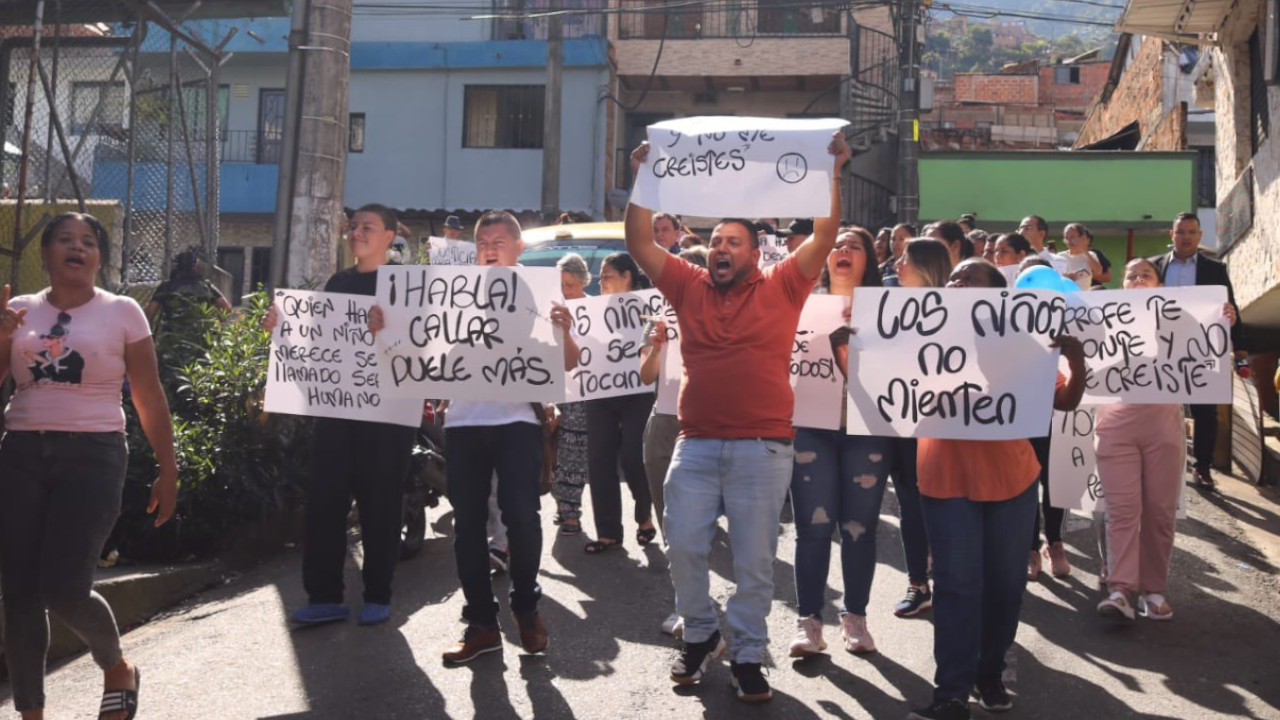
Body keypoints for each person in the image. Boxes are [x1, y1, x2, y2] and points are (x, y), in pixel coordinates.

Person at [625, 132, 851, 703]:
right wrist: (643, 180)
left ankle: (748, 653)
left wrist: (832, 172)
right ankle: (701, 633)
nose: (721, 248)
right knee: (683, 546)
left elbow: (825, 235)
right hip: (696, 443)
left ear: (754, 253)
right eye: (716, 241)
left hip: (763, 447)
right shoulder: (686, 284)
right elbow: (639, 243)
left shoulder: (785, 284)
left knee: (753, 564)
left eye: (734, 242)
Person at [0, 212, 179, 720]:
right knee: (18, 595)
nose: (77, 247)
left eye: (88, 241)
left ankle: (116, 666)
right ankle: (30, 713)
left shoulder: (123, 312)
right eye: (65, 239)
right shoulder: (17, 310)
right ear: (46, 254)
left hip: (94, 456)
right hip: (20, 454)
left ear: (100, 258)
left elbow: (148, 394)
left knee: (64, 588)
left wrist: (168, 469)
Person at [907, 258, 1087, 720]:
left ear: (996, 295)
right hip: (945, 477)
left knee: (1006, 587)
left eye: (969, 278)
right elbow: (884, 394)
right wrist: (848, 351)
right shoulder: (918, 335)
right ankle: (950, 692)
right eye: (953, 278)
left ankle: (989, 673)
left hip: (1012, 480)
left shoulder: (1023, 343)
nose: (957, 283)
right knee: (955, 585)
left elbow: (1064, 400)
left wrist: (1077, 362)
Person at [411, 210, 579, 664]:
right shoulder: (454, 292)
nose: (489, 249)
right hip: (464, 424)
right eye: (483, 242)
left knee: (522, 517)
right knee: (467, 526)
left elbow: (569, 362)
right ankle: (481, 623)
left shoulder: (540, 291)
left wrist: (564, 331)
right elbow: (427, 349)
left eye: (499, 241)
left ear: (518, 247)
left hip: (518, 423)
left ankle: (526, 608)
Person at [262, 204, 418, 629]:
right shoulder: (339, 282)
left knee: (380, 503)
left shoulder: (406, 285)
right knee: (324, 500)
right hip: (336, 411)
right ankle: (324, 596)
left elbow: (423, 349)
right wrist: (279, 327)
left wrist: (389, 331)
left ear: (389, 236)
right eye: (353, 226)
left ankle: (378, 595)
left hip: (388, 416)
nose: (356, 232)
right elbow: (317, 342)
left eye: (367, 227)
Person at [1095, 258, 1238, 622]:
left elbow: (1208, 345)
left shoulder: (1180, 318)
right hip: (1115, 427)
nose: (1138, 279)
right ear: (1122, 284)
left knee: (1160, 512)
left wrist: (1224, 319)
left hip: (1163, 427)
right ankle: (1120, 590)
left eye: (1146, 274)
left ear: (1160, 286)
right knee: (1121, 511)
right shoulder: (1103, 316)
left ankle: (1154, 590)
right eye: (1131, 275)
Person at [788, 226, 896, 659]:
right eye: (836, 246)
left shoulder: (888, 310)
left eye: (854, 246)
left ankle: (856, 618)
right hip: (811, 429)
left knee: (858, 529)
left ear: (869, 259)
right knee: (812, 529)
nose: (843, 250)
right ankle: (809, 622)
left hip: (867, 431)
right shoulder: (802, 305)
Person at [640, 247, 708, 637]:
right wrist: (657, 345)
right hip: (664, 421)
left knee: (694, 521)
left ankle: (694, 605)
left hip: (705, 421)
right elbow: (645, 374)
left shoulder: (721, 315)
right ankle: (687, 600)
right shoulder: (659, 317)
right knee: (668, 517)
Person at [1151, 212, 1244, 491]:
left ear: (1200, 236)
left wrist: (1239, 346)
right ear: (1172, 234)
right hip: (1161, 349)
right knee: (1160, 408)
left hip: (1202, 350)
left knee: (1205, 411)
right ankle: (1159, 463)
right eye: (1180, 232)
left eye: (1192, 232)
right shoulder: (1154, 266)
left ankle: (1202, 467)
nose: (1186, 237)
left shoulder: (1215, 270)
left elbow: (1230, 308)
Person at [584, 252, 658, 554]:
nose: (601, 281)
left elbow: (652, 347)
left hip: (638, 392)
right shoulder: (590, 310)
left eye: (608, 275)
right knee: (599, 459)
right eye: (600, 276)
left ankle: (644, 515)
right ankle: (608, 532)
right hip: (599, 391)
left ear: (627, 277)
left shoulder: (647, 308)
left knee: (632, 455)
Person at [552, 253, 591, 537]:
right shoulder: (550, 309)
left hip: (581, 392)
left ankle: (570, 513)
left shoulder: (596, 310)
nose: (565, 291)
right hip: (550, 389)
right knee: (552, 452)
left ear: (583, 283)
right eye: (561, 285)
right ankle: (562, 504)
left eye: (570, 285)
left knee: (573, 453)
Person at [145, 249, 232, 329]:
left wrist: (150, 332)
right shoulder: (206, 286)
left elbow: (150, 312)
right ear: (195, 266)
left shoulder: (166, 287)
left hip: (172, 332)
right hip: (200, 333)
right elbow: (226, 308)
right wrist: (215, 325)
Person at [1057, 223, 1103, 291]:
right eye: (1067, 238)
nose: (1069, 241)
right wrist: (1065, 278)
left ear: (1083, 238)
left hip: (1084, 295)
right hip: (1065, 294)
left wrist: (1085, 251)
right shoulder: (1060, 256)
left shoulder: (1091, 255)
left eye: (1072, 237)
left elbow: (1098, 272)